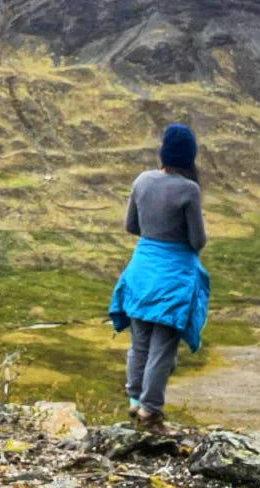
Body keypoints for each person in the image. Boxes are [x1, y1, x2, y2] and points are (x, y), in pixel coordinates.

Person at [108, 123, 209, 430]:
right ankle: (150, 410)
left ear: (163, 152)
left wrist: (154, 234)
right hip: (173, 277)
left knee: (139, 342)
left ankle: (134, 401)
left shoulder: (142, 180)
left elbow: (131, 226)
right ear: (189, 157)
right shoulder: (189, 190)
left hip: (141, 271)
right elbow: (197, 241)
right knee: (162, 348)